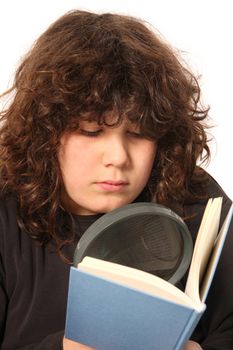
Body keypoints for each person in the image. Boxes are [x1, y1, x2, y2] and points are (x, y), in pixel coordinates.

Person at [0, 9, 232, 350]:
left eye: (138, 133)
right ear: (45, 132)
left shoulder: (197, 199)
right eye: (91, 131)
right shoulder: (5, 211)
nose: (118, 157)